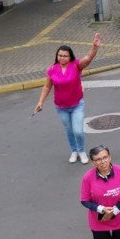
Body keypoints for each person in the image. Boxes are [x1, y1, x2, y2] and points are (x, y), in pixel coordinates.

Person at [34, 34, 101, 163]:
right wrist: (40, 102)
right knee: (69, 131)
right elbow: (47, 87)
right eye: (60, 55)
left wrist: (95, 47)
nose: (62, 58)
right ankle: (74, 151)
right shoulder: (52, 70)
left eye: (65, 55)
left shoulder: (76, 65)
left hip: (77, 105)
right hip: (61, 107)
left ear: (70, 56)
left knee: (78, 131)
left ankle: (81, 151)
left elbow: (88, 58)